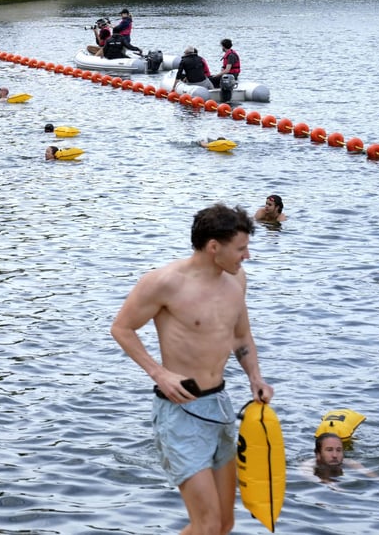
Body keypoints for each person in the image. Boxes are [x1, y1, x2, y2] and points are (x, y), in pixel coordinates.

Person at [110, 204, 273, 535]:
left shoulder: (236, 281)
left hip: (220, 407)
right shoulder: (164, 283)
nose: (247, 256)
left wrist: (255, 377)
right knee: (207, 524)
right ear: (214, 247)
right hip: (180, 411)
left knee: (224, 524)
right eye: (241, 249)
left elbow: (241, 335)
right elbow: (122, 329)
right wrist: (159, 373)